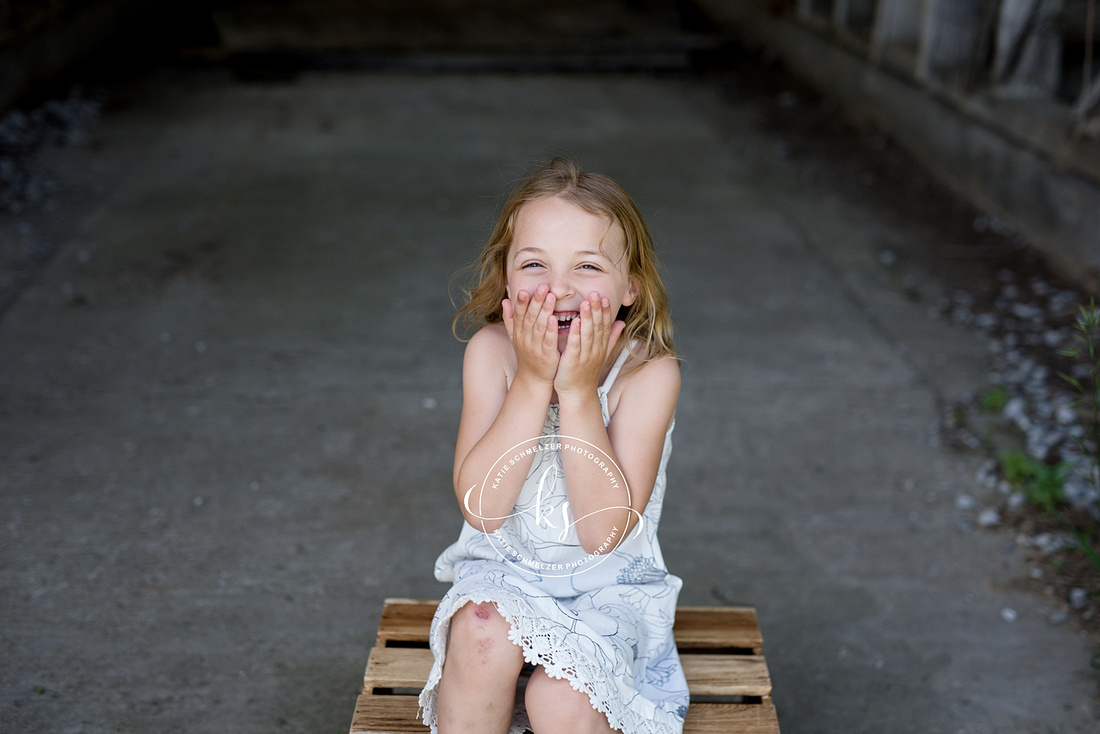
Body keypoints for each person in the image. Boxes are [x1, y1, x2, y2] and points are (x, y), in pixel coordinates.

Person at [418, 158, 687, 734]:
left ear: (631, 288)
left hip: (609, 590)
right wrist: (535, 383)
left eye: (587, 266)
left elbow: (603, 532)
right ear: (508, 278)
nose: (558, 289)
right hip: (506, 574)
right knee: (481, 629)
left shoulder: (648, 376)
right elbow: (484, 510)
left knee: (563, 699)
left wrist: (578, 391)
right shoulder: (491, 353)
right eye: (534, 264)